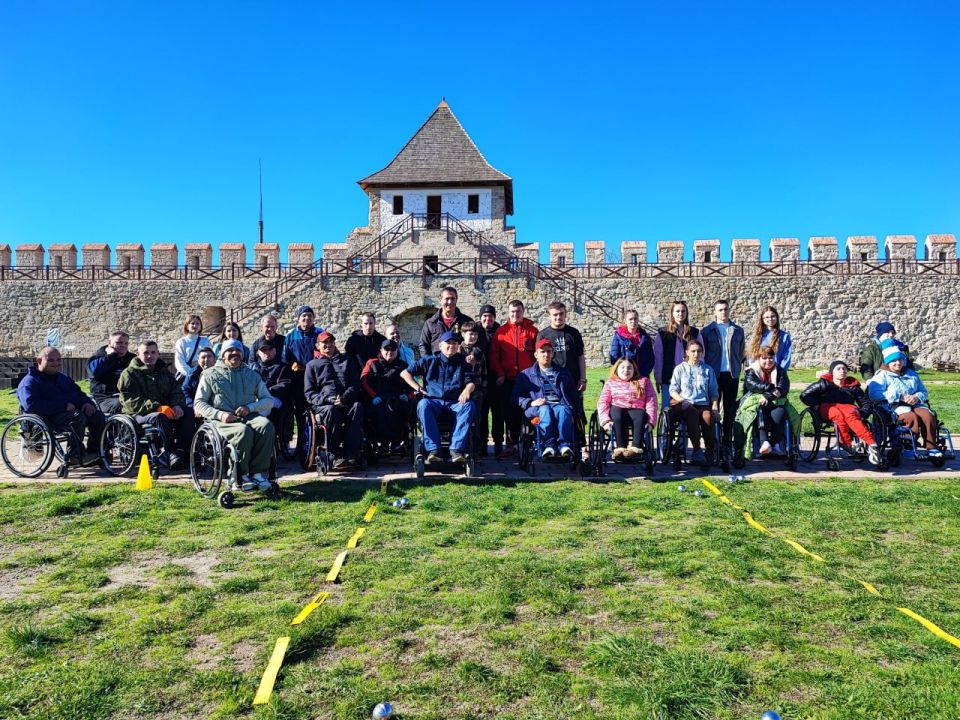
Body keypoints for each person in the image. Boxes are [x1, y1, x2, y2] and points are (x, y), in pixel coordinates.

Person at [194, 340, 276, 491]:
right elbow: (199, 403)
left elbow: (268, 400)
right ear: (223, 354)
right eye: (230, 350)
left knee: (266, 426)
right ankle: (239, 475)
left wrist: (250, 408)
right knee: (242, 432)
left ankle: (257, 474)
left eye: (238, 350)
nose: (234, 353)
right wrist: (220, 415)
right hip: (222, 420)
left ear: (243, 354)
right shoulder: (209, 374)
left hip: (248, 416)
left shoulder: (252, 375)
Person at [17, 347, 106, 464]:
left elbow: (79, 393)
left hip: (69, 412)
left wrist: (87, 403)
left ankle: (94, 453)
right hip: (48, 417)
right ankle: (74, 455)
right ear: (39, 361)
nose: (56, 363)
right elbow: (31, 405)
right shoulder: (30, 381)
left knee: (97, 416)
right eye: (51, 360)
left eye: (58, 360)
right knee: (77, 417)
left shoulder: (63, 378)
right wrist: (63, 406)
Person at [401, 331, 477, 464]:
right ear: (440, 346)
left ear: (458, 346)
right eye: (448, 343)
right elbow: (405, 373)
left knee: (469, 405)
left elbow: (471, 382)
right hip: (433, 401)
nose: (451, 346)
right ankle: (433, 450)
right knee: (423, 404)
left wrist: (467, 390)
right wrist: (418, 387)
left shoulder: (463, 363)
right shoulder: (429, 360)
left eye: (454, 343)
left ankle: (456, 450)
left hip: (455, 401)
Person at [118, 340, 195, 469]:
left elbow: (176, 390)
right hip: (138, 414)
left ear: (158, 353)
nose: (150, 356)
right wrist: (155, 407)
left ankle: (183, 451)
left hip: (165, 410)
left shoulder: (164, 372)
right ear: (137, 354)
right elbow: (130, 399)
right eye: (145, 353)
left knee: (188, 412)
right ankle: (170, 452)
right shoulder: (129, 374)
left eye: (153, 352)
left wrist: (176, 405)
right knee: (158, 417)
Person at [799, 360, 881, 465]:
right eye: (838, 369)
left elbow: (866, 403)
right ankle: (846, 443)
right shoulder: (824, 383)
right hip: (827, 407)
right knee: (837, 414)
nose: (842, 371)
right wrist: (816, 404)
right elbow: (804, 395)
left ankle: (872, 444)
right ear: (832, 372)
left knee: (851, 415)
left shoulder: (853, 385)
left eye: (844, 369)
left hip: (847, 408)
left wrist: (862, 414)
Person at [867, 344, 940, 459]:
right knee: (910, 417)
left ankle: (931, 448)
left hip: (914, 403)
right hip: (892, 405)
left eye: (900, 360)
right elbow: (874, 394)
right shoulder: (881, 375)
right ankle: (908, 446)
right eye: (893, 361)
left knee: (928, 416)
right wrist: (899, 397)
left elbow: (923, 390)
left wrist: (916, 397)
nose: (898, 363)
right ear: (887, 362)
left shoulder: (911, 374)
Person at [304, 331, 364, 467]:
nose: (328, 345)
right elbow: (309, 393)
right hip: (325, 405)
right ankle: (333, 453)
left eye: (331, 342)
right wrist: (329, 399)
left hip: (346, 401)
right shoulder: (312, 365)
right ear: (318, 345)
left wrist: (345, 397)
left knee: (358, 407)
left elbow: (355, 384)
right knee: (331, 411)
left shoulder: (347, 360)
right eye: (324, 343)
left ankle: (352, 453)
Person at [513, 339, 581, 459]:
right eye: (542, 352)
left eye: (549, 351)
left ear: (553, 354)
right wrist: (531, 402)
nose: (546, 354)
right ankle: (548, 446)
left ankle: (564, 446)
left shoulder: (563, 373)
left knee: (563, 410)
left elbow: (573, 394)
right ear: (536, 355)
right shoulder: (525, 375)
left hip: (559, 404)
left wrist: (579, 413)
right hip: (537, 407)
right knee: (545, 410)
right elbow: (515, 397)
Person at [489, 299, 538, 458]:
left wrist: (536, 374)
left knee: (530, 410)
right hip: (508, 379)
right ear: (508, 313)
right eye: (512, 312)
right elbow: (494, 356)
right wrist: (500, 373)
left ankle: (530, 442)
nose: (515, 314)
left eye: (518, 312)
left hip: (528, 381)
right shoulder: (501, 332)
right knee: (508, 412)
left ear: (523, 312)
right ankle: (511, 444)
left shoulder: (532, 331)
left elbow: (538, 356)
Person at [734, 346, 799, 460]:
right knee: (759, 410)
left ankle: (776, 443)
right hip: (755, 401)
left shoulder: (780, 371)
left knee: (781, 411)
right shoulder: (751, 371)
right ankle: (763, 442)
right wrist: (770, 387)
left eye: (771, 358)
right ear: (758, 359)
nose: (768, 361)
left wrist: (768, 395)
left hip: (775, 401)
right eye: (764, 358)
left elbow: (783, 387)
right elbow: (752, 384)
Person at [669, 340, 720, 468]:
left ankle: (709, 451)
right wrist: (682, 400)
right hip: (684, 404)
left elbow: (713, 391)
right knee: (692, 413)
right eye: (693, 351)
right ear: (687, 352)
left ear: (702, 353)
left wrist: (715, 407)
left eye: (699, 351)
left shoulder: (708, 369)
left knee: (707, 417)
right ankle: (697, 450)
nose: (696, 354)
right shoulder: (680, 369)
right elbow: (673, 390)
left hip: (703, 404)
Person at [701, 299, 745, 445]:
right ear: (715, 312)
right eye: (720, 310)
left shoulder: (738, 330)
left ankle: (727, 440)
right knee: (713, 407)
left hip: (731, 374)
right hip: (714, 374)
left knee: (730, 409)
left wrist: (737, 366)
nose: (723, 312)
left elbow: (741, 352)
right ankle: (714, 440)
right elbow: (703, 353)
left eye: (725, 309)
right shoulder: (707, 331)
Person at [597, 358, 658, 460]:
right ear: (616, 369)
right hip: (617, 406)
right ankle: (620, 448)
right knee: (618, 416)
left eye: (629, 368)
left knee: (641, 416)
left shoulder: (644, 381)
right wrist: (605, 421)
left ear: (634, 370)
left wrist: (651, 423)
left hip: (637, 408)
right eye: (623, 367)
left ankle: (635, 449)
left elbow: (651, 401)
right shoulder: (610, 383)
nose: (626, 370)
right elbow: (603, 402)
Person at [361, 339, 415, 447]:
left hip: (397, 398)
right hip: (377, 398)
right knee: (378, 412)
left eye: (393, 349)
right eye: (387, 349)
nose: (390, 352)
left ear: (397, 351)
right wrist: (373, 396)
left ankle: (397, 441)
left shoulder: (403, 366)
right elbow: (364, 381)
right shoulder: (372, 363)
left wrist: (407, 395)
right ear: (381, 350)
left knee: (399, 410)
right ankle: (381, 442)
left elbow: (412, 384)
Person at [653, 301, 702, 408]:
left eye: (683, 311)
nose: (680, 314)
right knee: (667, 409)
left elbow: (701, 356)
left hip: (690, 378)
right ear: (672, 313)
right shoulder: (663, 333)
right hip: (669, 378)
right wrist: (658, 377)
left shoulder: (694, 333)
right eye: (677, 311)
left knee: (688, 410)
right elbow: (658, 357)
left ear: (686, 313)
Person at [282, 305, 323, 421]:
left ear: (314, 318)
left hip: (317, 378)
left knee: (317, 409)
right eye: (304, 315)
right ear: (298, 319)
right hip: (298, 379)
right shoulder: (291, 336)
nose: (307, 318)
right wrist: (291, 365)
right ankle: (302, 432)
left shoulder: (320, 334)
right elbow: (284, 358)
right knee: (300, 410)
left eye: (310, 315)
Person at [539, 302, 587, 393]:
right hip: (552, 380)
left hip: (573, 379)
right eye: (555, 315)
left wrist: (583, 379)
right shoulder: (543, 335)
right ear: (550, 316)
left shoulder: (574, 333)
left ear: (566, 315)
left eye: (561, 314)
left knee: (575, 402)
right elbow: (539, 360)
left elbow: (580, 356)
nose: (558, 317)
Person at [86, 330, 136, 415]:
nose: (123, 346)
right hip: (104, 399)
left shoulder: (132, 359)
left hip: (127, 396)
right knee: (125, 404)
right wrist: (111, 356)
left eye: (126, 343)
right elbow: (94, 373)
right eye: (119, 343)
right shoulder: (97, 357)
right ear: (109, 343)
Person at [419, 286, 476, 357]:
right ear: (440, 300)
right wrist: (428, 361)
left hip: (460, 362)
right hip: (438, 362)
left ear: (456, 300)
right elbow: (424, 345)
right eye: (447, 299)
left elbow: (478, 340)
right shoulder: (430, 323)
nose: (450, 302)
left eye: (453, 299)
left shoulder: (466, 321)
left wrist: (474, 355)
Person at [478, 304, 504, 456]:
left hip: (496, 378)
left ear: (494, 317)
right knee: (481, 413)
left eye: (490, 316)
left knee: (498, 413)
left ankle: (498, 443)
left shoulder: (500, 332)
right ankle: (482, 444)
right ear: (480, 317)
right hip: (480, 378)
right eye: (485, 316)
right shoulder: (476, 331)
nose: (487, 319)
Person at [249, 342, 293, 426]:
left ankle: (258, 426)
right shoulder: (252, 368)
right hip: (257, 398)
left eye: (270, 349)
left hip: (275, 398)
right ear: (258, 353)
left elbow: (284, 385)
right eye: (264, 350)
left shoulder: (283, 367)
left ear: (275, 350)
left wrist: (264, 391)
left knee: (264, 404)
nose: (267, 352)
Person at [460, 321, 487, 451]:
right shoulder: (457, 350)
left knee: (476, 419)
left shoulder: (479, 353)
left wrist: (483, 389)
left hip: (477, 391)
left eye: (475, 334)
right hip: (460, 390)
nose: (473, 337)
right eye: (470, 334)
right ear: (463, 334)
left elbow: (484, 373)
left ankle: (475, 448)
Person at [609, 309, 654, 378]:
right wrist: (624, 373)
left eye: (635, 319)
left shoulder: (645, 337)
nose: (633, 321)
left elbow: (651, 359)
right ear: (625, 321)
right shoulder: (618, 336)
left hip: (642, 376)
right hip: (624, 376)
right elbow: (614, 357)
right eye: (630, 319)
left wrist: (641, 374)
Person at [747, 305, 792, 370]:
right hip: (759, 372)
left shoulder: (785, 336)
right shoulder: (757, 336)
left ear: (777, 317)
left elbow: (786, 357)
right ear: (762, 319)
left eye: (773, 316)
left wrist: (780, 372)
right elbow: (752, 357)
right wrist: (754, 370)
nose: (770, 319)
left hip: (777, 371)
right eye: (767, 317)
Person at [174, 314, 212, 382]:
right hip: (187, 376)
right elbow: (179, 361)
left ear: (200, 326)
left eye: (197, 323)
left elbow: (211, 357)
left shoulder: (206, 340)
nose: (195, 326)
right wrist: (191, 374)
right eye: (192, 323)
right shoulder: (181, 342)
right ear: (187, 326)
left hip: (204, 374)